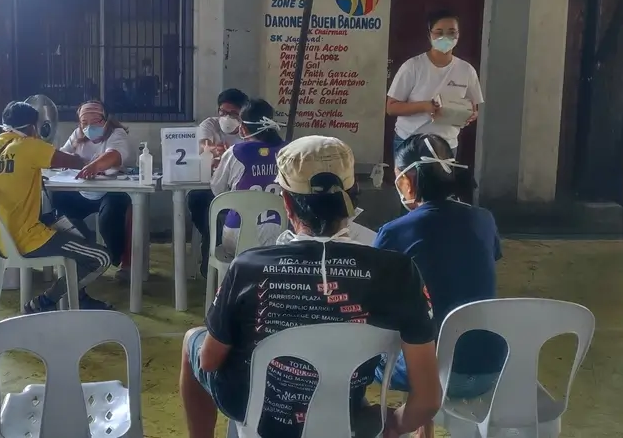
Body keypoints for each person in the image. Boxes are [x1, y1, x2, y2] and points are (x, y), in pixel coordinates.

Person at [180, 136, 442, 438]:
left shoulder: (248, 266)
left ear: (286, 202)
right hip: (348, 416)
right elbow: (427, 400)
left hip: (260, 420)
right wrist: (387, 426)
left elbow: (210, 360)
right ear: (353, 195)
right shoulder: (399, 271)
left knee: (193, 342)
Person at [373, 133, 505, 407]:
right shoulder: (484, 219)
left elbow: (377, 299)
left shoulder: (395, 232)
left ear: (406, 182)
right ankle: (425, 425)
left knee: (378, 346)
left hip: (431, 374)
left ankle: (405, 420)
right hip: (491, 368)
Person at [0, 101, 113, 312]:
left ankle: (78, 296)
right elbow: (75, 161)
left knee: (76, 226)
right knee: (102, 257)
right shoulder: (29, 146)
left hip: (1, 238)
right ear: (32, 127)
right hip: (28, 239)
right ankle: (46, 301)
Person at [52, 100, 133, 280]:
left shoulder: (116, 134)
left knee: (110, 218)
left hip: (111, 193)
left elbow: (114, 155)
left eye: (95, 121)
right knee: (57, 203)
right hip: (83, 193)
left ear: (105, 120)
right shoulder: (77, 135)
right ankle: (83, 251)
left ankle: (115, 257)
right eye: (84, 123)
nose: (89, 127)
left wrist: (93, 166)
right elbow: (61, 156)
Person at [386, 9, 484, 156]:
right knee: (411, 180)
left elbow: (474, 108)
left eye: (452, 32)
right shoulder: (413, 66)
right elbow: (391, 108)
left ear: (458, 35)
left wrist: (470, 114)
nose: (445, 37)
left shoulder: (467, 70)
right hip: (410, 142)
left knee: (442, 180)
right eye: (439, 32)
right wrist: (425, 106)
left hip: (447, 144)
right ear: (429, 35)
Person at [209, 98, 287, 258]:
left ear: (242, 128)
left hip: (239, 236)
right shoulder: (288, 151)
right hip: (280, 235)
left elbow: (218, 190)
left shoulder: (235, 152)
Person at [189, 88, 250, 265]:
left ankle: (215, 249)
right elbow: (204, 146)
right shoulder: (210, 124)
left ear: (242, 114)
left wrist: (226, 156)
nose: (227, 117)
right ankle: (212, 244)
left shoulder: (248, 130)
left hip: (240, 189)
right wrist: (214, 150)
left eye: (233, 114)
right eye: (223, 112)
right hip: (210, 186)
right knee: (198, 199)